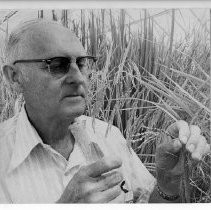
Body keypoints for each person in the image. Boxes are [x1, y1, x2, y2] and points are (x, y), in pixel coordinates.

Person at [0, 19, 210, 203]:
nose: (78, 77)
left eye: (82, 63)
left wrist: (167, 185)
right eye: (56, 64)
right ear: (14, 76)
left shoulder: (109, 136)